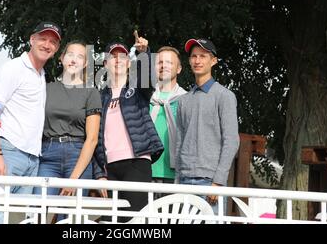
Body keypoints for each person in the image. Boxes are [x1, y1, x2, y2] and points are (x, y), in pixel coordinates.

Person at [0, 21, 61, 196]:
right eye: (43, 39)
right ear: (32, 40)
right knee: (0, 217)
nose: (47, 45)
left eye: (53, 42)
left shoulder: (41, 74)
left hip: (32, 159)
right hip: (10, 153)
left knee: (21, 219)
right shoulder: (14, 68)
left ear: (56, 49)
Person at [93, 36, 164, 222]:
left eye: (122, 56)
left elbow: (149, 79)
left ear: (128, 63)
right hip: (110, 168)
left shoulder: (137, 89)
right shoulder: (98, 96)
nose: (118, 60)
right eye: (113, 56)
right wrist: (99, 173)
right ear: (105, 63)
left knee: (134, 221)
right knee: (109, 221)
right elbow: (93, 137)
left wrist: (144, 54)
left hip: (136, 163)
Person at [175, 38, 239, 215]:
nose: (197, 60)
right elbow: (180, 142)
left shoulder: (225, 96)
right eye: (194, 56)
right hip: (185, 180)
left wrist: (218, 182)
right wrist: (178, 180)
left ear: (213, 61)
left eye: (203, 56)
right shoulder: (183, 101)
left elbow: (231, 141)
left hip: (210, 181)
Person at [34, 41, 101, 198]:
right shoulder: (46, 88)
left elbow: (92, 139)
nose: (73, 60)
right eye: (70, 54)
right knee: (37, 209)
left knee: (69, 216)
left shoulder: (91, 92)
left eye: (80, 57)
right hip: (48, 155)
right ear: (61, 58)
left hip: (77, 156)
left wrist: (73, 179)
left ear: (85, 64)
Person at [150, 47, 187, 198]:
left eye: (169, 62)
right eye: (159, 62)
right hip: (146, 173)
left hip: (175, 176)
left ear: (178, 69)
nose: (163, 66)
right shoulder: (145, 98)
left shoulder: (186, 100)